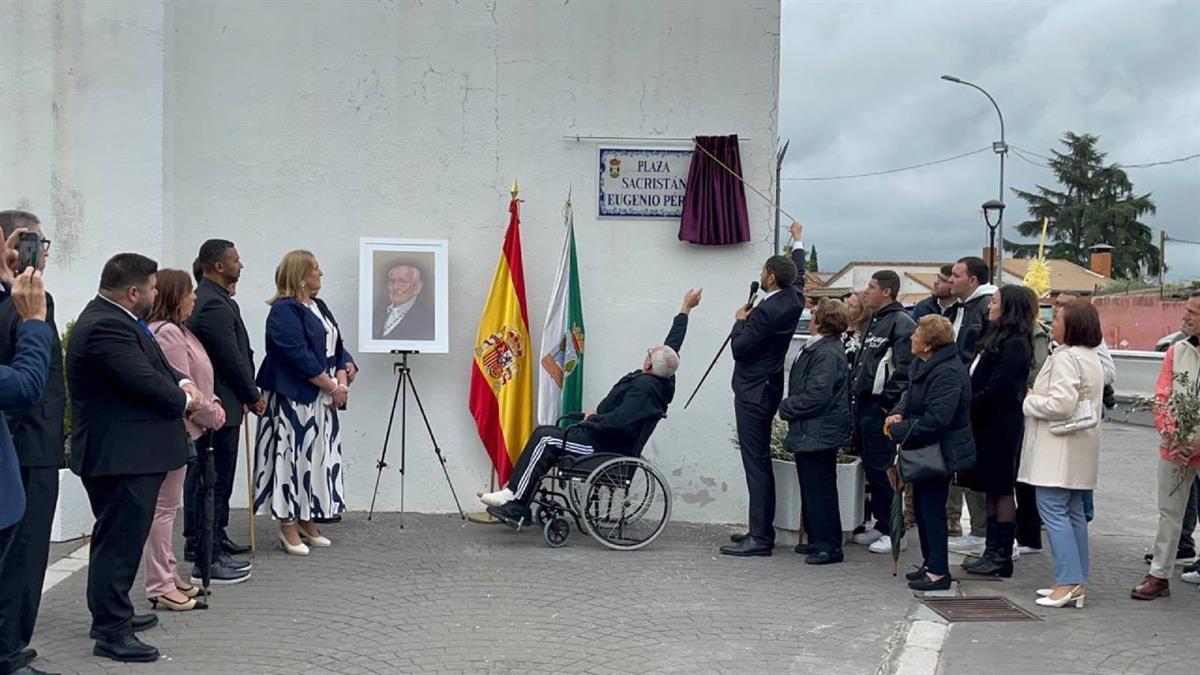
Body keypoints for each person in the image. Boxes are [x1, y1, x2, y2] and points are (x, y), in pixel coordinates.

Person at [68, 253, 200, 662]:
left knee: (121, 539)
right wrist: (184, 399)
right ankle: (111, 631)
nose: (156, 294)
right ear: (133, 292)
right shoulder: (105, 326)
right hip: (121, 456)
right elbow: (142, 380)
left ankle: (113, 613)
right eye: (153, 288)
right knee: (118, 544)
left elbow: (156, 365)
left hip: (133, 454)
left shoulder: (122, 321)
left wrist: (181, 381)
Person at [481, 289, 701, 525]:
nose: (647, 353)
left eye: (649, 352)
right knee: (546, 434)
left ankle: (514, 501)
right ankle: (518, 499)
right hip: (601, 438)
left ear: (648, 363)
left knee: (546, 438)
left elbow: (620, 422)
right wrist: (685, 309)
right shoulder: (664, 376)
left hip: (603, 446)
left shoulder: (644, 390)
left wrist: (593, 419)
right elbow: (672, 347)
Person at [144, 269, 237, 610]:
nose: (194, 298)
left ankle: (169, 575)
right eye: (188, 293)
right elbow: (181, 387)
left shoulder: (179, 329)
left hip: (190, 429)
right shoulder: (167, 334)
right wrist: (210, 412)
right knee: (163, 509)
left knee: (168, 507)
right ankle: (160, 583)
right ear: (174, 296)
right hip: (178, 430)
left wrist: (212, 404)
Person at [253, 250, 355, 556]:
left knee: (315, 459)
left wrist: (344, 375)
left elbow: (337, 347)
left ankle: (306, 517)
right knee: (290, 459)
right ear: (300, 276)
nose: (321, 274)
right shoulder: (284, 311)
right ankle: (286, 522)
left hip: (322, 399)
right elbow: (296, 356)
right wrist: (332, 386)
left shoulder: (319, 306)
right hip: (293, 399)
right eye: (315, 270)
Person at [721, 220, 807, 557]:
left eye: (764, 271)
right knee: (757, 462)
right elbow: (798, 273)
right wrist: (798, 241)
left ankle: (761, 537)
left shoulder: (766, 311)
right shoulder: (794, 296)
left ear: (770, 278)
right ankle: (758, 529)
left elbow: (740, 349)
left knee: (755, 462)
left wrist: (740, 320)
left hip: (753, 390)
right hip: (768, 386)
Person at [0, 213, 62, 675]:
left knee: (28, 557)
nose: (41, 252)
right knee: (19, 561)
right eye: (33, 242)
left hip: (33, 447)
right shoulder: (23, 304)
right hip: (21, 448)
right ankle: (8, 649)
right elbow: (23, 383)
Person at [183, 240, 264, 572]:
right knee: (212, 480)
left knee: (215, 478)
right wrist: (251, 394)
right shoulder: (213, 304)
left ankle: (214, 536)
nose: (240, 265)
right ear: (218, 266)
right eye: (235, 260)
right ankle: (207, 550)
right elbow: (230, 357)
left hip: (224, 402)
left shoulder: (215, 298)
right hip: (219, 404)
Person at [1018, 298, 1104, 609]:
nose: (1052, 324)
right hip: (1078, 447)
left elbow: (1061, 404)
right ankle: (1075, 580)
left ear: (1073, 326)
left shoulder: (1067, 358)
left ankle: (1068, 581)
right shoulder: (1090, 356)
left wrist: (1029, 401)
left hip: (1057, 449)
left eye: (1057, 319)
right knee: (1073, 513)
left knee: (1053, 511)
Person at [884, 315, 975, 591]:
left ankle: (938, 572)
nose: (911, 338)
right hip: (925, 450)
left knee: (933, 510)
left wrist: (900, 431)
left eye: (916, 334)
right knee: (923, 509)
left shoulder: (946, 372)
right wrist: (898, 413)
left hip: (940, 452)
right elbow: (908, 396)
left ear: (929, 344)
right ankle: (930, 562)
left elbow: (937, 419)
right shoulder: (922, 364)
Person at [1130, 290, 1200, 601]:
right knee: (1169, 513)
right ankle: (1159, 575)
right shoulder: (1178, 350)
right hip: (1174, 448)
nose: (1184, 317)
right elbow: (1163, 396)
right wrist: (1170, 433)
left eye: (1192, 313)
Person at [960, 286, 1034, 577]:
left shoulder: (1016, 343)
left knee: (1001, 488)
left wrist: (966, 404)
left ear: (1009, 308)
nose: (989, 306)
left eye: (995, 302)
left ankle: (1001, 554)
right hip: (984, 423)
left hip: (1000, 425)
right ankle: (990, 550)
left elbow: (998, 388)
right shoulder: (993, 336)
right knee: (990, 488)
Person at [779, 298, 851, 565]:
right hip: (812, 430)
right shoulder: (820, 349)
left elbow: (817, 395)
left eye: (815, 314)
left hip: (819, 431)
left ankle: (828, 545)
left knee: (820, 489)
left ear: (822, 321)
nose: (811, 317)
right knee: (812, 488)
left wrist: (787, 407)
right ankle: (817, 539)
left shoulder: (826, 353)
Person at [849, 270, 915, 554]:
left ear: (886, 291)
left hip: (880, 408)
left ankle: (894, 530)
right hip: (862, 405)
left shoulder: (901, 323)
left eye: (872, 287)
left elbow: (904, 370)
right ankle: (881, 522)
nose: (867, 291)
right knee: (871, 467)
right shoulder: (873, 321)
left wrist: (888, 403)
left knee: (884, 467)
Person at [944, 256, 997, 555]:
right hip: (965, 395)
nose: (951, 280)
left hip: (974, 399)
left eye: (955, 275)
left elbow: (975, 353)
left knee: (976, 465)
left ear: (973, 280)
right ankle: (978, 529)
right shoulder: (966, 307)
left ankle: (982, 531)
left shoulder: (983, 307)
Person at [1016, 285, 1051, 555]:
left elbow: (1037, 371)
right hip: (1020, 408)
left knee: (1024, 476)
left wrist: (1023, 392)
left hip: (1026, 410)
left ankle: (1029, 535)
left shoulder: (1035, 333)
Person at [374, 263, 434, 340]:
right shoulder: (378, 312)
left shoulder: (428, 319)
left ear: (417, 287)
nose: (395, 287)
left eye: (402, 282)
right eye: (392, 282)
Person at [841, 291, 868, 367]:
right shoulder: (838, 328)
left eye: (851, 306)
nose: (846, 308)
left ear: (862, 312)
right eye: (847, 303)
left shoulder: (865, 335)